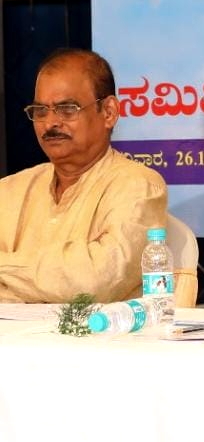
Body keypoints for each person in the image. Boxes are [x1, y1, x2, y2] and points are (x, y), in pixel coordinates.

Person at [1, 48, 168, 303]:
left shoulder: (138, 187)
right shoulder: (10, 190)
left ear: (109, 112)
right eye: (40, 110)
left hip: (97, 330)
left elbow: (94, 283)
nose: (50, 123)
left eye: (67, 109)